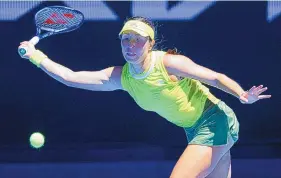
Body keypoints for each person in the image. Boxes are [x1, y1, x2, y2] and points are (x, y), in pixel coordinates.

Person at [18, 16, 271, 178]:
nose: (130, 45)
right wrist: (36, 56)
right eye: (125, 39)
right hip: (193, 129)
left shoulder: (169, 63)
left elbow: (214, 77)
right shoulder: (121, 76)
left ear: (150, 43)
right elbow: (71, 77)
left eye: (137, 40)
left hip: (215, 120)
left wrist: (241, 94)